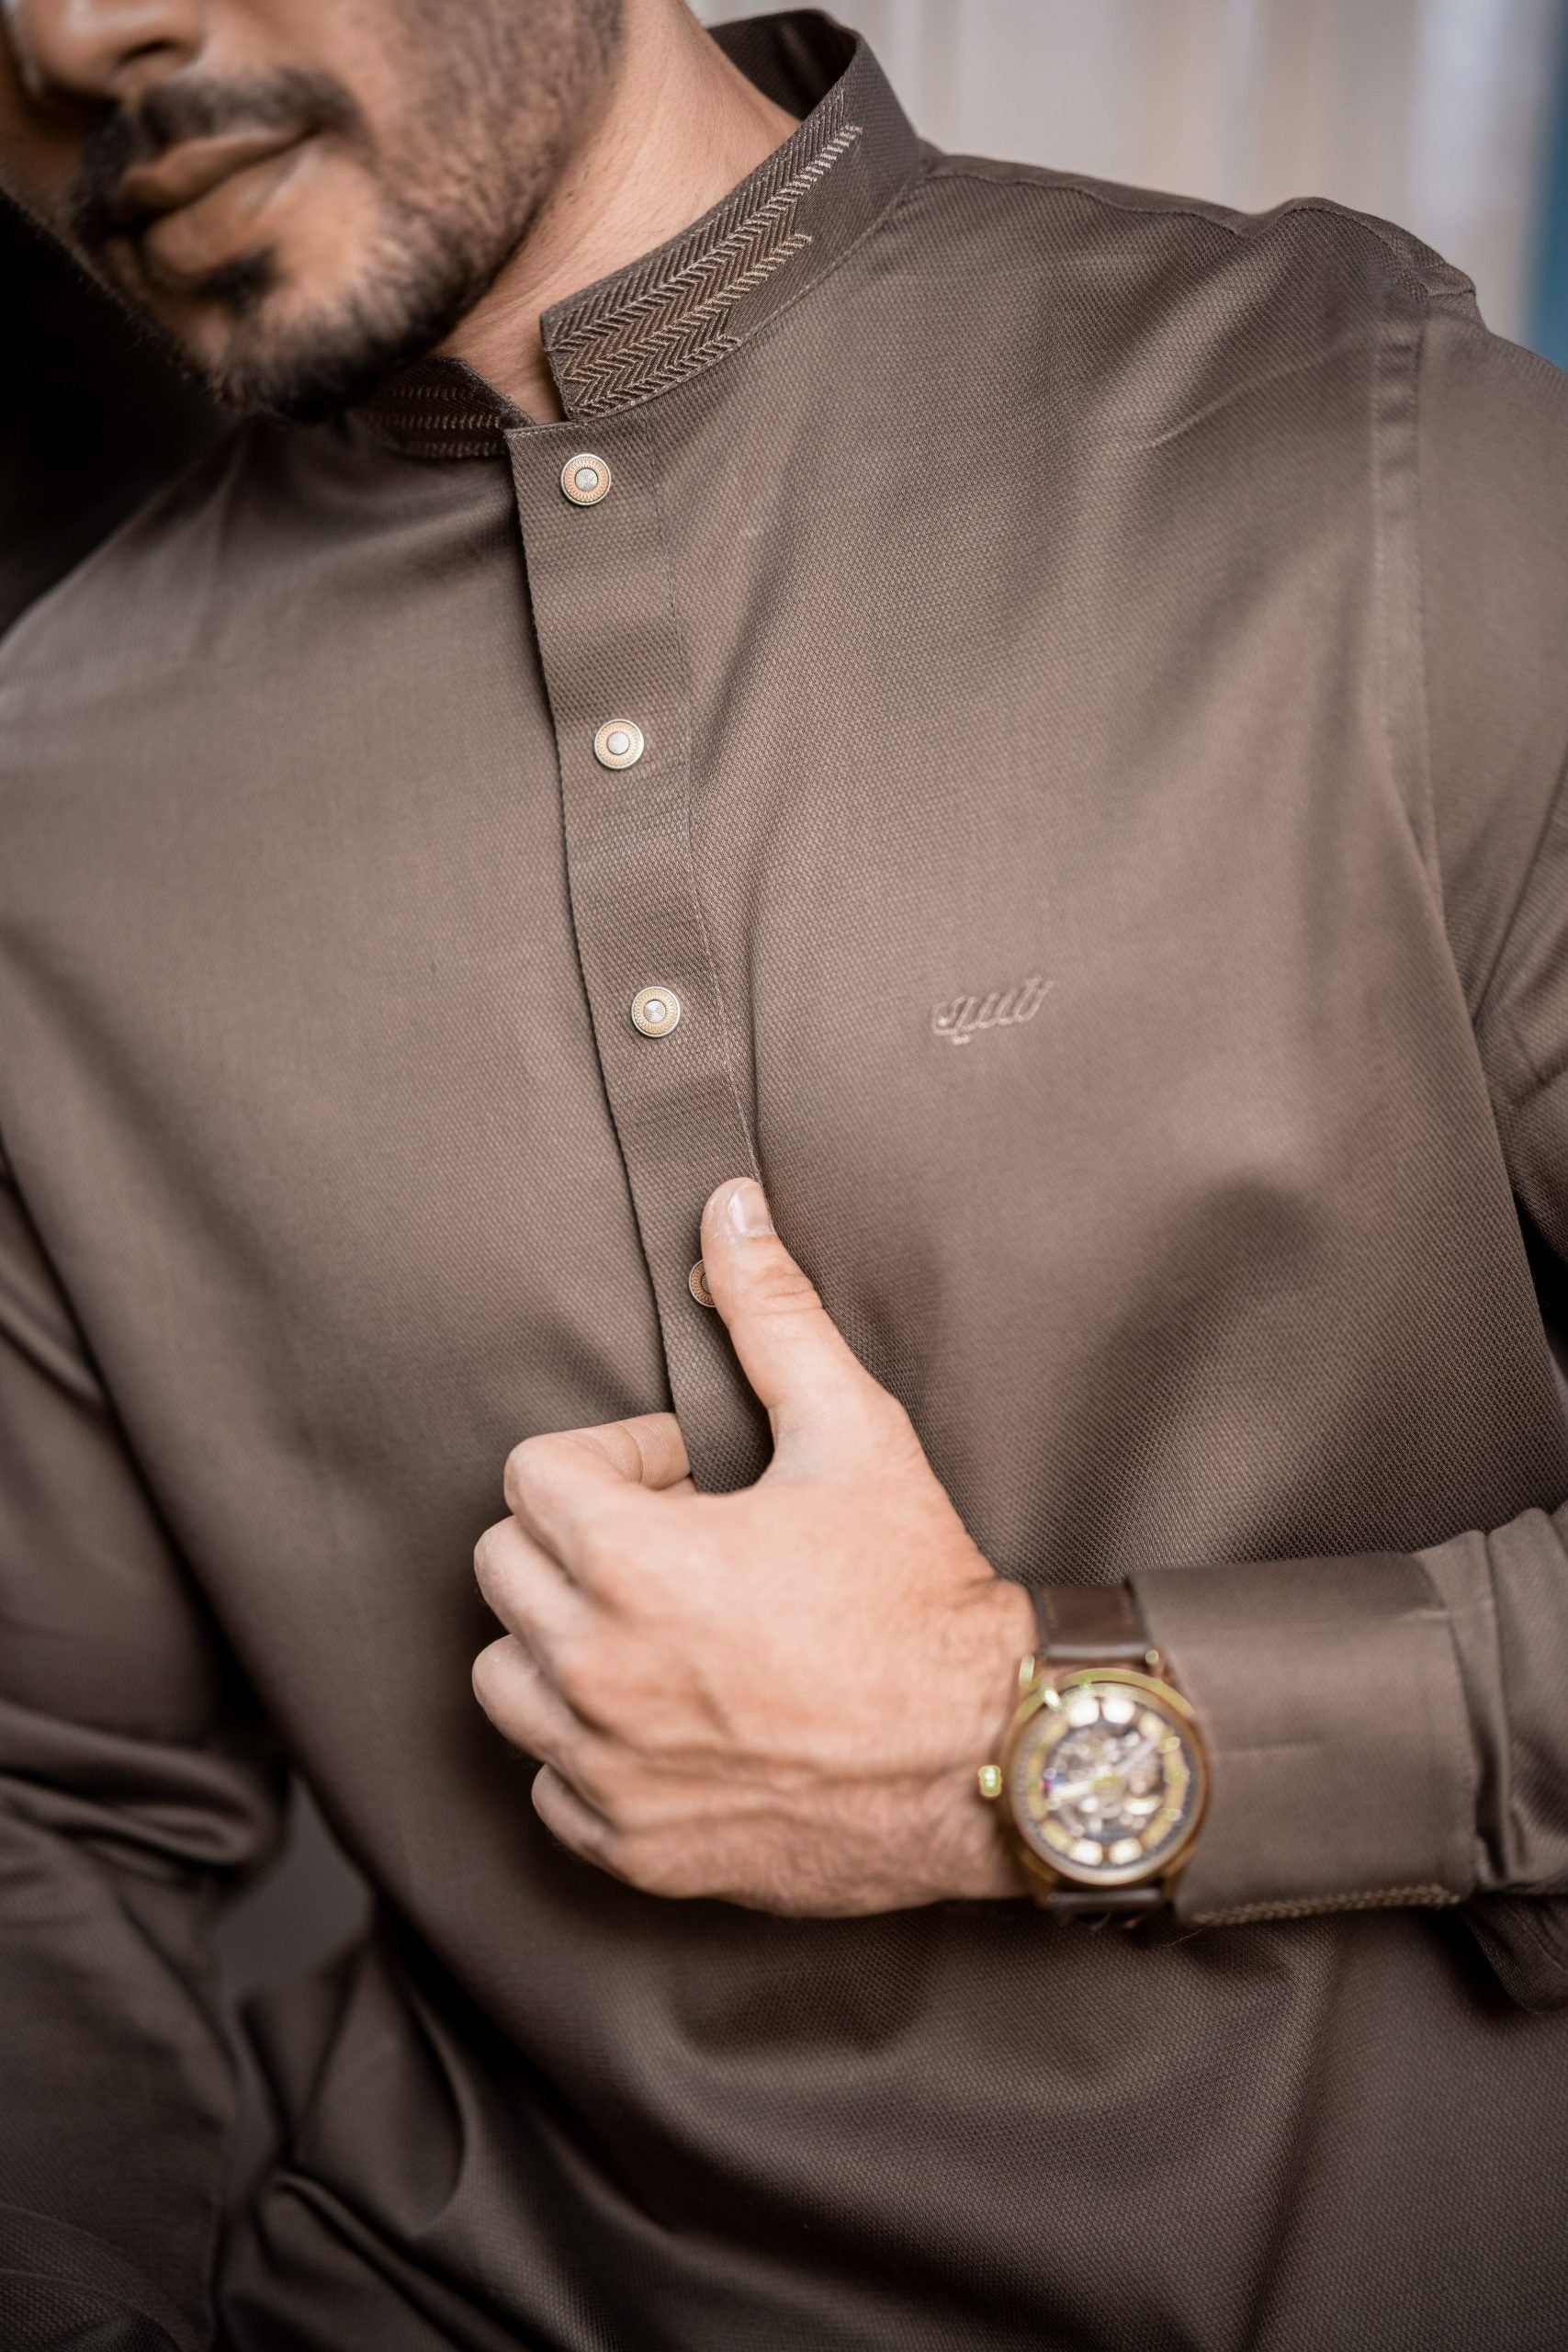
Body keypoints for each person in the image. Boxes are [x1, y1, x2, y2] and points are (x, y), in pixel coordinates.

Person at [2, 0, 1567, 2344]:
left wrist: (1016, 1740)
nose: (66, 33)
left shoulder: (1365, 446)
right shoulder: (51, 808)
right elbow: (66, 1844)